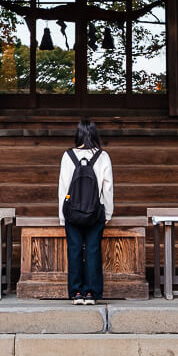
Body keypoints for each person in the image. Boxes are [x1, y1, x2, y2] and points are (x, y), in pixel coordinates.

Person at [58, 120, 113, 305]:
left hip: (72, 212)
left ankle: (76, 293)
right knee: (92, 250)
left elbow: (63, 187)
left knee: (74, 251)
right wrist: (108, 213)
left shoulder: (68, 156)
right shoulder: (103, 156)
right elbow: (108, 188)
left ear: (79, 134)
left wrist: (61, 214)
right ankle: (91, 293)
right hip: (95, 212)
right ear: (94, 134)